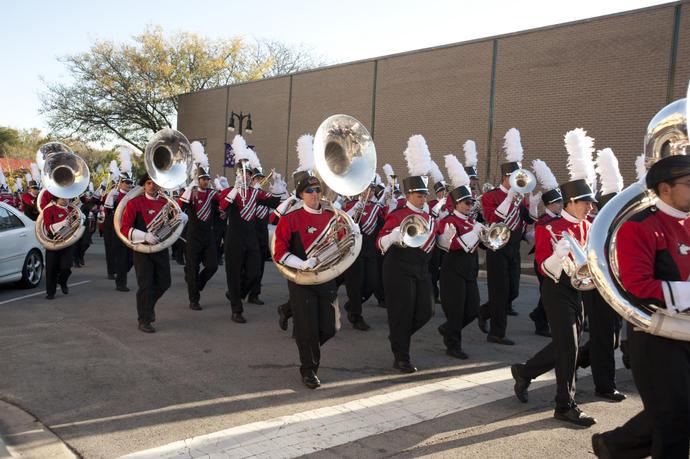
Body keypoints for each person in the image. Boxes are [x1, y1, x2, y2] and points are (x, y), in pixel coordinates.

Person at [593, 154, 690, 458]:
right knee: (673, 422)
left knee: (678, 413)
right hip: (657, 337)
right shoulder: (640, 226)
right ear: (665, 188)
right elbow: (637, 286)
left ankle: (615, 446)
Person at [511, 128, 598, 427]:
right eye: (584, 202)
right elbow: (543, 267)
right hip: (557, 290)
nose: (589, 206)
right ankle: (565, 404)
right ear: (570, 201)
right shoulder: (552, 227)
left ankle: (525, 371)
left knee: (567, 345)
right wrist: (557, 256)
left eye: (590, 202)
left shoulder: (589, 226)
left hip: (579, 290)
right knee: (569, 348)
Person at [376, 135, 438, 373]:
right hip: (398, 266)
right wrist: (394, 236)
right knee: (402, 312)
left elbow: (435, 240)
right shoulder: (398, 214)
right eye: (419, 195)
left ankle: (398, 338)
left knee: (426, 312)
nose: (423, 199)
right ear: (409, 195)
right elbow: (380, 242)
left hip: (421, 266)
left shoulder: (431, 215)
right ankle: (401, 355)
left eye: (425, 195)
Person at [273, 174, 341, 389]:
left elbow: (342, 242)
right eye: (309, 191)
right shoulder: (291, 218)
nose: (315, 195)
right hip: (301, 279)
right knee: (307, 327)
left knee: (331, 327)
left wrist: (354, 233)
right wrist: (301, 264)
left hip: (326, 277)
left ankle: (308, 347)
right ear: (301, 194)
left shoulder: (333, 216)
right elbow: (279, 252)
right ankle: (309, 369)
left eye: (318, 190)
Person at [479, 129, 539, 345]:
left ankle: (484, 312)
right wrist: (511, 197)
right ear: (506, 178)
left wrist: (532, 206)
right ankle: (497, 332)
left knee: (512, 291)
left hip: (513, 247)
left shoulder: (520, 197)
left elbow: (529, 221)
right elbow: (494, 217)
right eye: (512, 178)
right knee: (499, 290)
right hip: (497, 246)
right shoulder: (490, 196)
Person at [219, 143, 280, 323]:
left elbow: (273, 202)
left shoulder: (255, 193)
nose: (246, 176)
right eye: (243, 173)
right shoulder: (229, 192)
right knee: (234, 273)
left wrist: (277, 185)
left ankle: (236, 294)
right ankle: (236, 309)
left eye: (248, 174)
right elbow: (223, 207)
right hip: (234, 238)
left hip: (251, 237)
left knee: (254, 272)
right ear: (237, 175)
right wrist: (235, 190)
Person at [120, 173, 186, 333]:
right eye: (149, 183)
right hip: (142, 249)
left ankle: (148, 307)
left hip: (161, 248)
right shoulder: (135, 203)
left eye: (155, 183)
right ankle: (144, 319)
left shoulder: (166, 203)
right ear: (144, 185)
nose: (152, 186)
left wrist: (182, 218)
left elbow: (173, 223)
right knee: (146, 285)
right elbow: (124, 227)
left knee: (165, 283)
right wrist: (144, 236)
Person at [436, 155, 481, 359]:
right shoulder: (450, 221)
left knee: (472, 309)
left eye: (471, 201)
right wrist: (476, 232)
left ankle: (448, 329)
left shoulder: (472, 222)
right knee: (455, 310)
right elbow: (457, 245)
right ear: (455, 204)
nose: (470, 205)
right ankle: (453, 345)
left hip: (470, 267)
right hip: (453, 268)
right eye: (465, 202)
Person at [528, 159, 563, 338]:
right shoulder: (543, 221)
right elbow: (536, 239)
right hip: (544, 260)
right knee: (547, 294)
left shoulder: (557, 219)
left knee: (548, 294)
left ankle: (538, 316)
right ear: (549, 204)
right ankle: (540, 323)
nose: (561, 205)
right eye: (558, 203)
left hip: (555, 260)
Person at [180, 166, 219, 310]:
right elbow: (180, 207)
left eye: (207, 179)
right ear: (198, 180)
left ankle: (198, 284)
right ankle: (194, 299)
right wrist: (188, 191)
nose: (206, 182)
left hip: (208, 235)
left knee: (213, 265)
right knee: (192, 268)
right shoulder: (192, 193)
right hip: (193, 235)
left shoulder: (211, 193)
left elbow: (223, 201)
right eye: (203, 179)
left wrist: (226, 187)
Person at [42, 196, 76, 299]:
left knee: (66, 267)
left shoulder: (72, 209)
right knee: (51, 268)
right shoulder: (49, 210)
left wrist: (81, 218)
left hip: (68, 241)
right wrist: (62, 224)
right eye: (62, 198)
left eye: (67, 197)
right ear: (56, 198)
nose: (65, 199)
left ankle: (62, 281)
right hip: (53, 242)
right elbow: (48, 227)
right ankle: (50, 293)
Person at [103, 174, 134, 290]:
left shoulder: (133, 195)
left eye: (130, 183)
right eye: (127, 183)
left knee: (131, 258)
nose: (129, 185)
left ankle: (120, 273)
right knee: (120, 255)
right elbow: (107, 211)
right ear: (121, 183)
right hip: (118, 227)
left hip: (131, 228)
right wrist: (110, 198)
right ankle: (120, 281)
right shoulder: (115, 194)